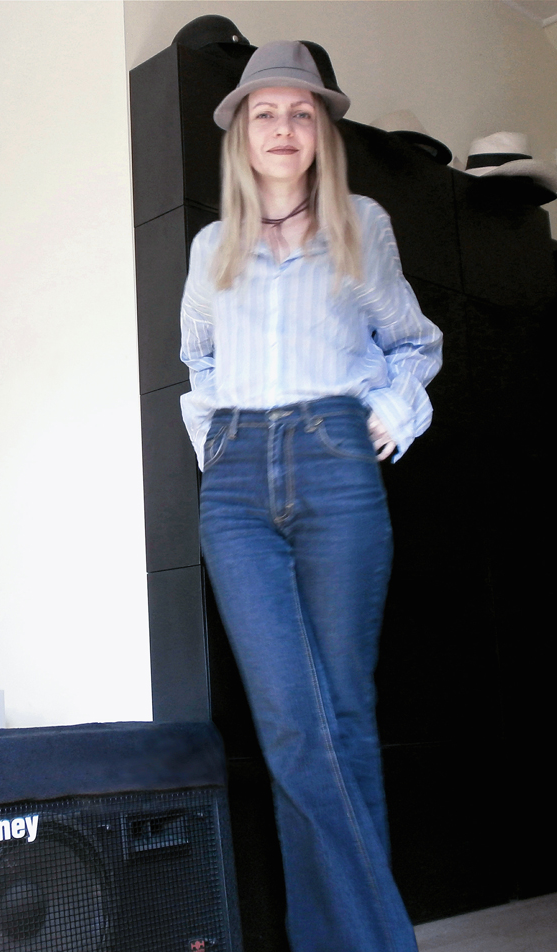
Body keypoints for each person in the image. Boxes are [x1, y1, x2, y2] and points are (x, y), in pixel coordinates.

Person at [179, 41, 442, 952]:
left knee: (342, 716)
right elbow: (198, 362)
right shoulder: (213, 246)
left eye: (299, 112)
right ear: (241, 135)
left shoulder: (362, 225)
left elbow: (415, 341)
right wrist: (215, 445)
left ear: (319, 130)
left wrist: (389, 412)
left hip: (336, 462)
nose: (283, 128)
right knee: (292, 721)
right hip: (240, 478)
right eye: (265, 112)